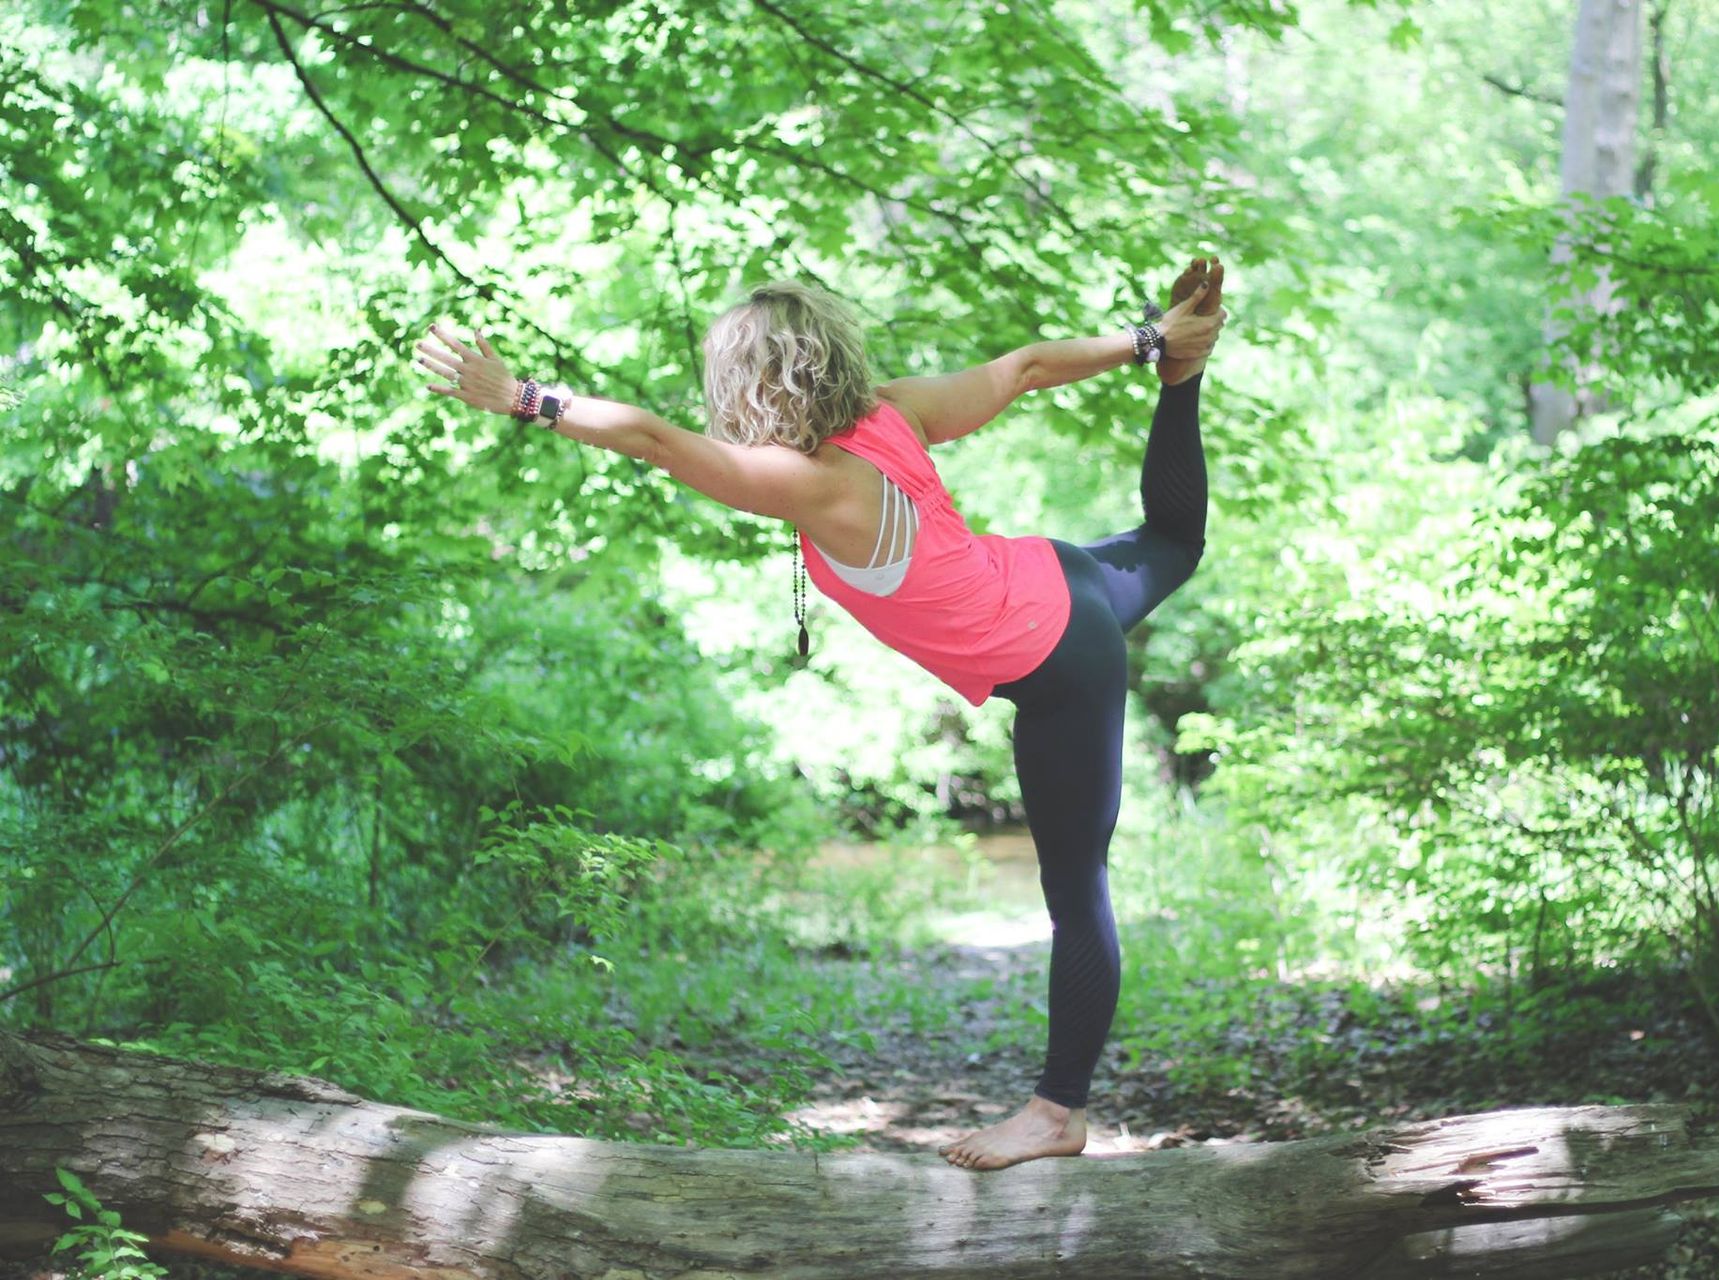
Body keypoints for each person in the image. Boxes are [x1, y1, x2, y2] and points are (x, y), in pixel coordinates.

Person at [413, 257, 1228, 1171]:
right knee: (1173, 539)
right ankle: (1181, 380)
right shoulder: (894, 412)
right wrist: (1153, 340)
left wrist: (522, 395)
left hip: (1057, 663)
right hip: (1055, 578)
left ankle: (1056, 1113)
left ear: (756, 383)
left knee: (1075, 895)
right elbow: (1023, 367)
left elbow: (652, 439)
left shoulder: (811, 482)